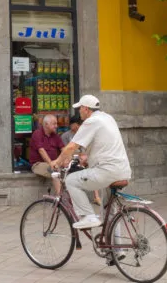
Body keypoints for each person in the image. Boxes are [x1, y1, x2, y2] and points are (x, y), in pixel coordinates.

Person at [52, 94, 131, 230]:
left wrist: (57, 162)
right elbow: (104, 145)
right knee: (110, 212)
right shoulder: (108, 118)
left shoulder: (91, 121)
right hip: (122, 170)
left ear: (86, 109)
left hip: (107, 171)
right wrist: (88, 159)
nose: (79, 112)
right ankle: (118, 250)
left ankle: (88, 216)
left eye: (80, 109)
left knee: (71, 180)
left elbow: (71, 147)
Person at [28, 115, 65, 191]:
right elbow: (41, 151)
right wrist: (51, 163)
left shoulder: (55, 135)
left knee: (68, 169)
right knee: (55, 170)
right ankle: (60, 197)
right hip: (38, 164)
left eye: (56, 124)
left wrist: (66, 160)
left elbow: (63, 149)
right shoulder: (37, 134)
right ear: (46, 124)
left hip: (54, 163)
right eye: (54, 124)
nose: (56, 126)